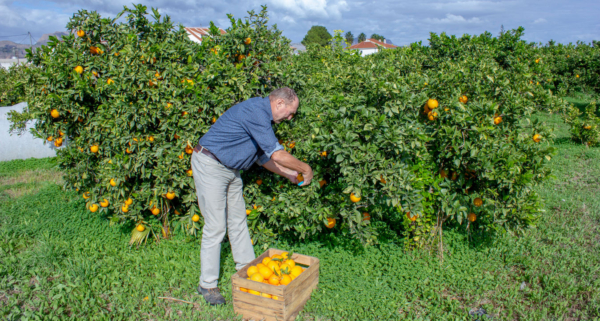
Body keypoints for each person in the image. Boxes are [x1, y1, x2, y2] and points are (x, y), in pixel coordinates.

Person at [191, 87, 313, 305]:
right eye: (290, 112)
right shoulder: (257, 112)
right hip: (210, 164)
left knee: (238, 221)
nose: (290, 117)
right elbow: (277, 154)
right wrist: (305, 168)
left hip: (230, 170)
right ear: (279, 104)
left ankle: (247, 273)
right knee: (216, 226)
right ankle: (207, 284)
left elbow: (263, 158)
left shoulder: (262, 118)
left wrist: (289, 174)